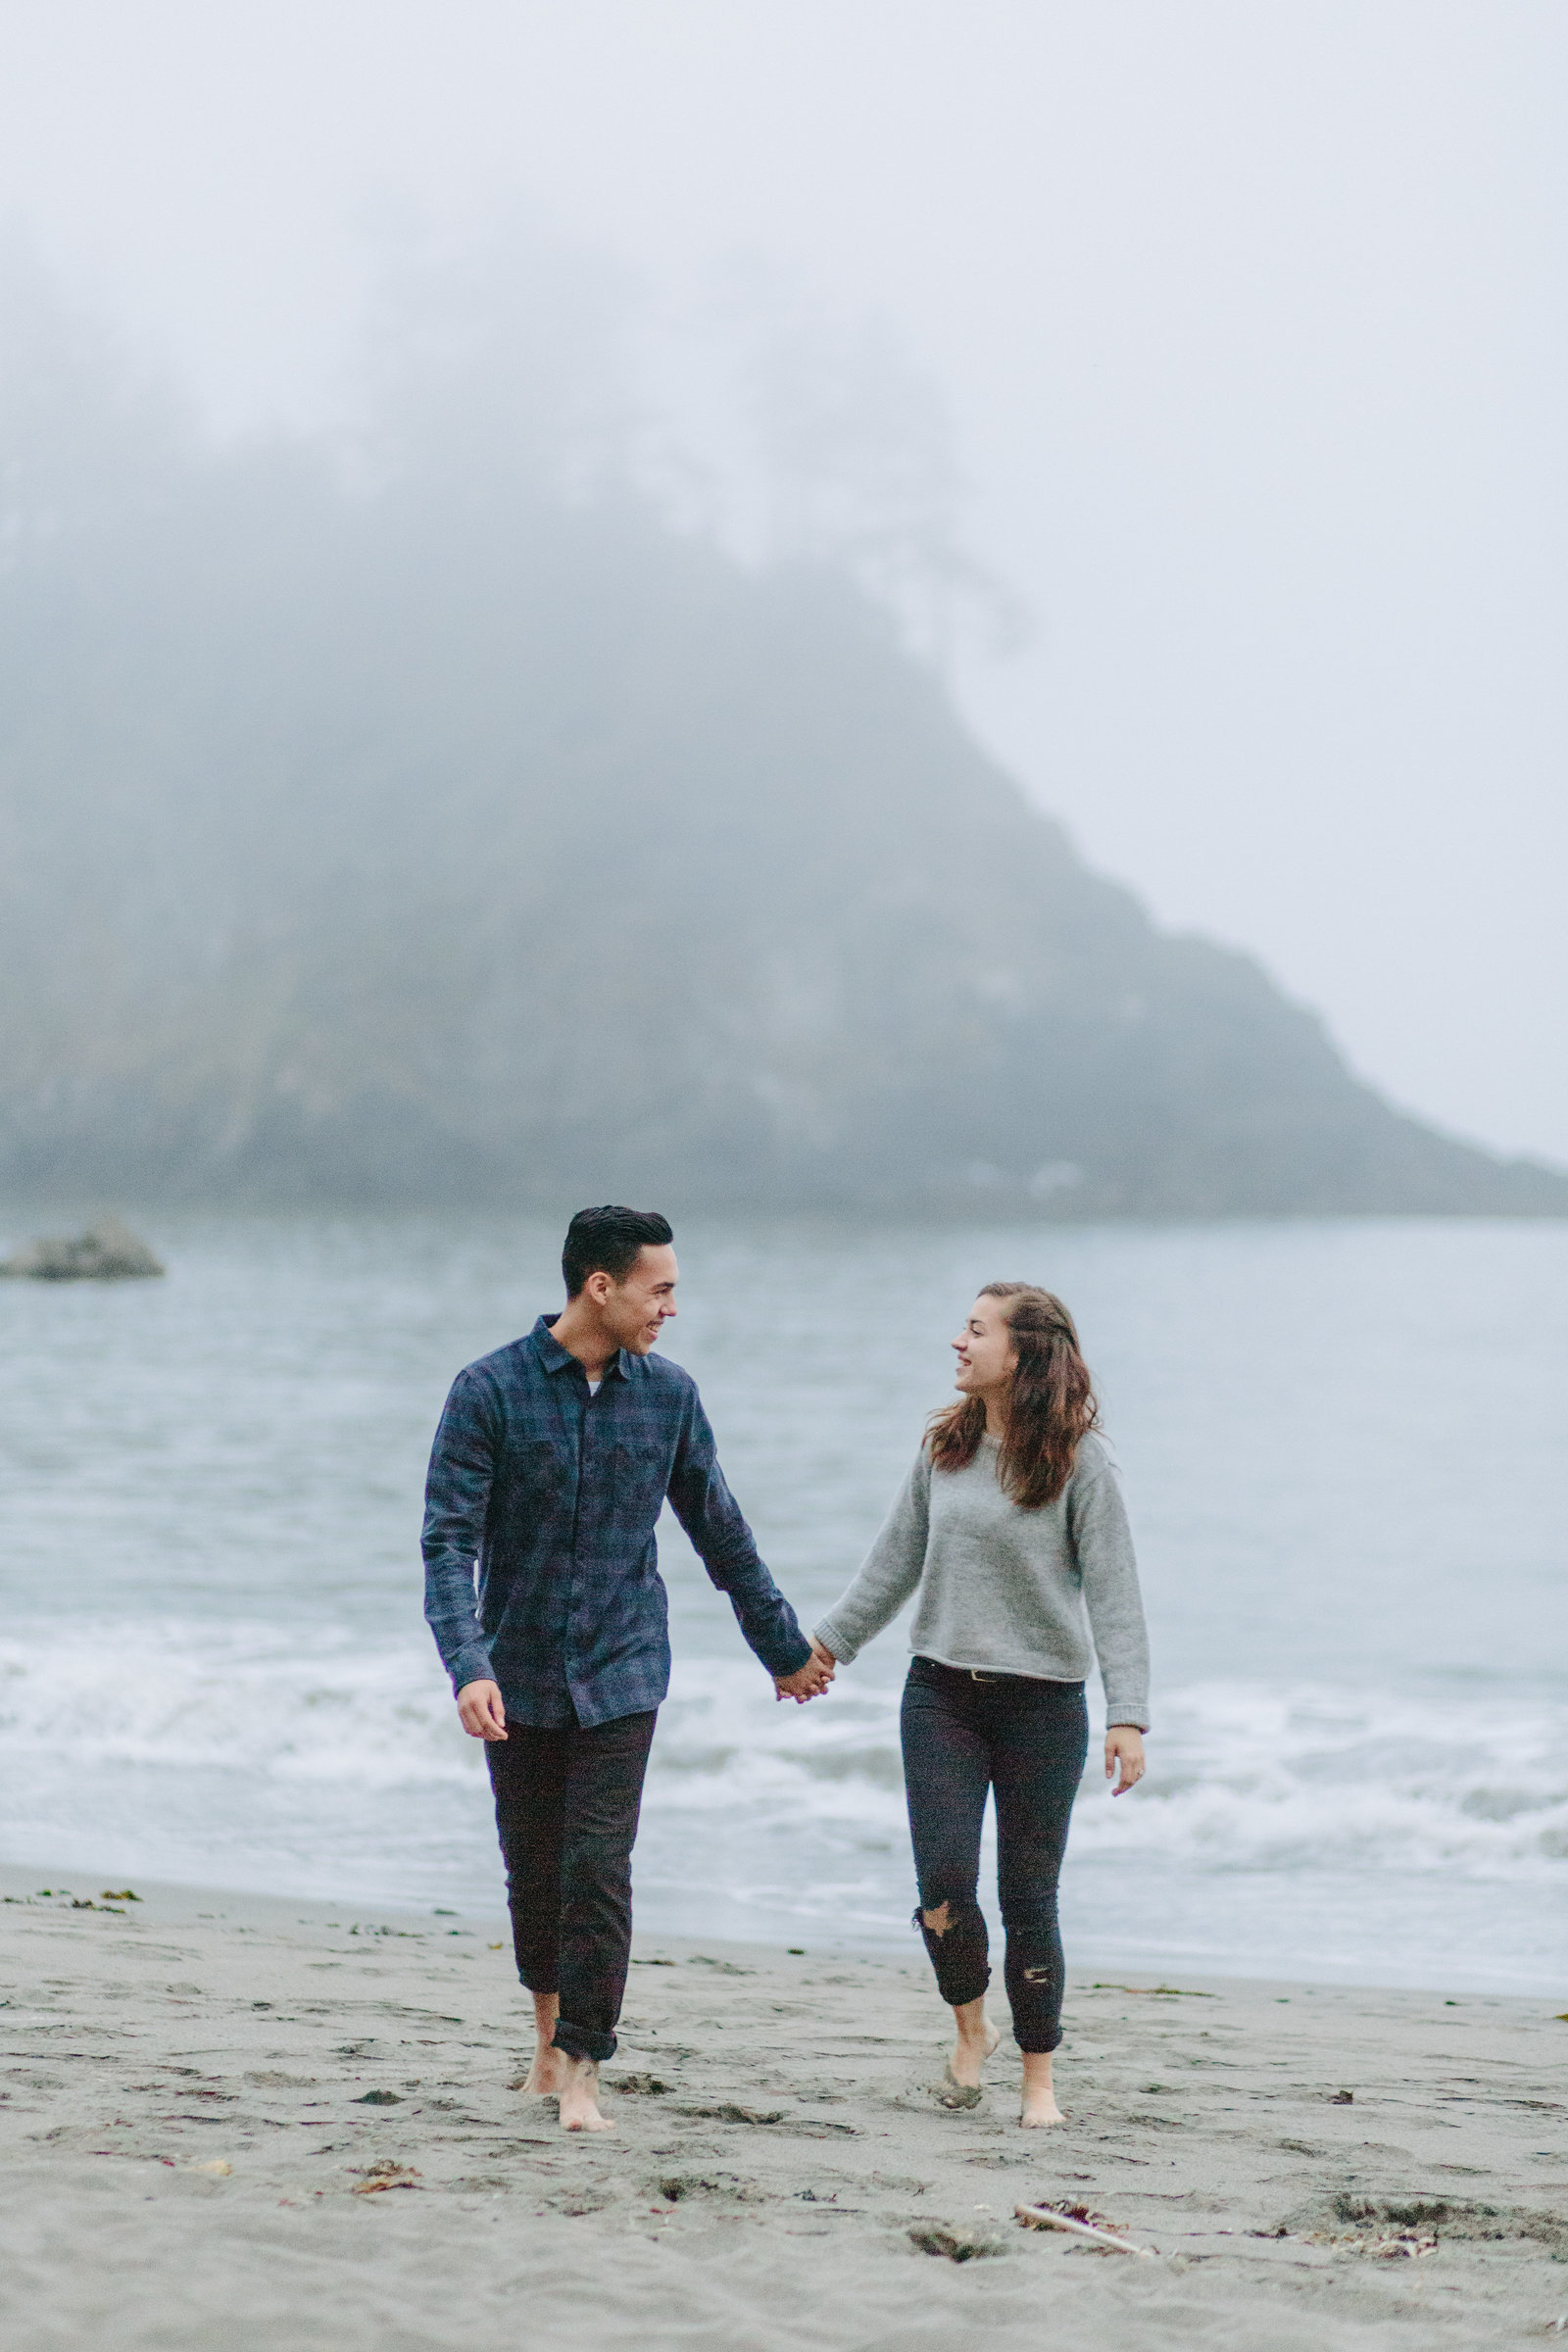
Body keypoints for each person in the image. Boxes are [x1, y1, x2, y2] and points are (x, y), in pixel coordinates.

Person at [421, 1204, 832, 2132]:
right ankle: (544, 2037)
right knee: (534, 1870)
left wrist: (785, 1648)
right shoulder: (487, 1390)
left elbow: (718, 1529)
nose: (671, 1309)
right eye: (661, 1289)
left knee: (598, 1867)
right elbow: (447, 1543)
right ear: (599, 1287)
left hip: (624, 1667)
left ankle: (582, 2070)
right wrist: (468, 1666)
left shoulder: (670, 1396)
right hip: (518, 1673)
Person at [809, 1282, 1150, 2129]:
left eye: (974, 1330)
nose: (957, 1343)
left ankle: (1040, 2082)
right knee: (945, 1886)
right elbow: (893, 1563)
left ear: (1023, 1352)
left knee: (1031, 1895)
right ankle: (972, 2028)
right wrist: (820, 1649)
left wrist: (1128, 1713)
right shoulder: (945, 1448)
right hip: (941, 1697)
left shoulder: (1081, 1461)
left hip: (1045, 1706)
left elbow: (1115, 1594)